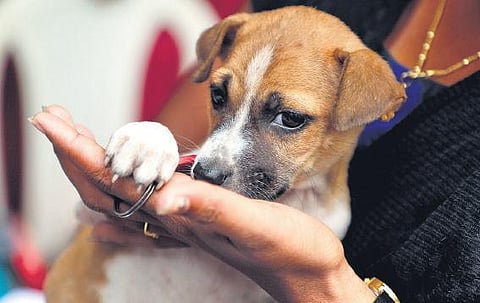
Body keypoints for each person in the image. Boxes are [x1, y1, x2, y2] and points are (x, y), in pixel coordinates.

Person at [30, 0, 480, 302]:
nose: (218, 158)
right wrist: (146, 151)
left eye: (289, 119)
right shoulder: (274, 26)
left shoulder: (327, 224)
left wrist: (319, 282)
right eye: (221, 97)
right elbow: (169, 162)